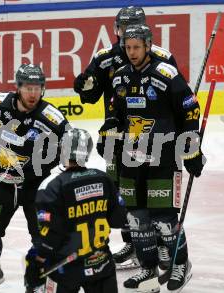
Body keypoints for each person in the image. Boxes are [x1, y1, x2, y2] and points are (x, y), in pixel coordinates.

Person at [102, 24, 206, 292]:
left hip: (163, 155)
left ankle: (180, 263)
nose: (132, 52)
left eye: (136, 47)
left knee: (164, 218)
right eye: (128, 47)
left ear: (148, 46)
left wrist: (192, 148)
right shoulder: (120, 77)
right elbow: (115, 113)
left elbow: (190, 111)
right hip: (130, 157)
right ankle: (148, 267)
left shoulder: (166, 74)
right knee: (136, 219)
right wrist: (109, 132)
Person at [74, 6, 178, 270]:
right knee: (125, 193)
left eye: (130, 27)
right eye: (121, 27)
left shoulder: (162, 57)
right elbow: (90, 95)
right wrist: (84, 86)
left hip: (156, 139)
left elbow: (178, 98)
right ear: (116, 29)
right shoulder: (105, 58)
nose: (124, 33)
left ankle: (164, 245)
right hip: (119, 136)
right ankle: (135, 242)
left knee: (158, 194)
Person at [0, 64, 71, 290]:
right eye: (28, 88)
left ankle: (39, 279)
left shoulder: (52, 119)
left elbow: (68, 155)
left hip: (36, 187)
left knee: (44, 238)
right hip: (1, 182)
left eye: (38, 88)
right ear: (18, 87)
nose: (33, 93)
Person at [24, 128, 126, 293]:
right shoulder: (103, 178)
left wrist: (36, 263)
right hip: (101, 264)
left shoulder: (52, 186)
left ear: (62, 150)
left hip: (65, 269)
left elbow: (50, 237)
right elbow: (119, 220)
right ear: (87, 152)